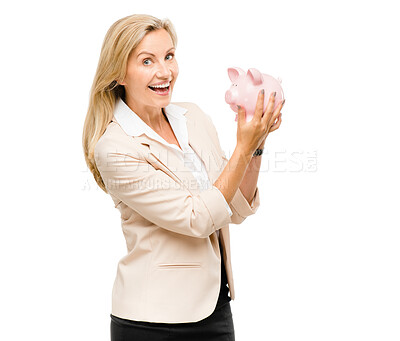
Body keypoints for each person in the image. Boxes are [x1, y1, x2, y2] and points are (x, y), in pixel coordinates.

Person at [82, 13, 284, 341]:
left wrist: (257, 143)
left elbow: (234, 207)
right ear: (119, 72)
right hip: (152, 321)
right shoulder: (114, 148)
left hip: (215, 306)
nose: (165, 72)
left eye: (169, 56)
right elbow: (197, 219)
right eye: (147, 61)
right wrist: (242, 148)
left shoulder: (192, 117)